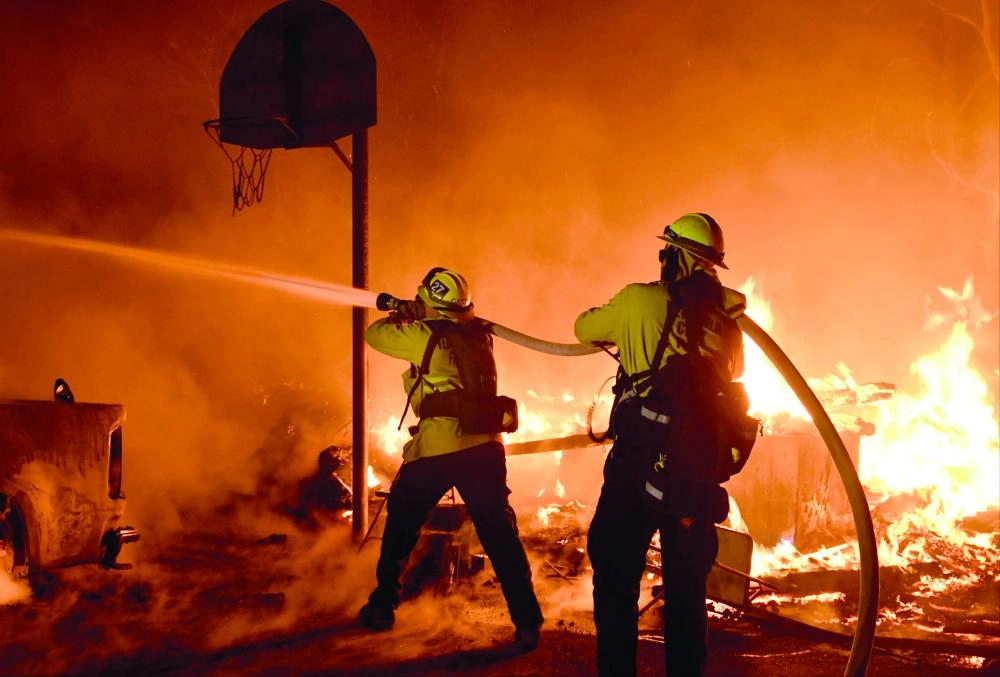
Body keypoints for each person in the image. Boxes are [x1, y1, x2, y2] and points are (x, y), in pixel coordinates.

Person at [574, 213, 745, 676]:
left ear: (674, 255)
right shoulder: (727, 321)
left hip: (637, 464)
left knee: (615, 581)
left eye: (665, 252)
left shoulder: (637, 300)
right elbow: (737, 370)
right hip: (693, 471)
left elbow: (583, 328)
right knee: (688, 597)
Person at [358, 266, 544, 652]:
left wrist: (403, 313)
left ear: (429, 301)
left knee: (402, 524)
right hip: (486, 448)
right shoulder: (479, 333)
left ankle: (382, 606)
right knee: (500, 536)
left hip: (440, 447)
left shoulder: (424, 334)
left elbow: (372, 334)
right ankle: (527, 623)